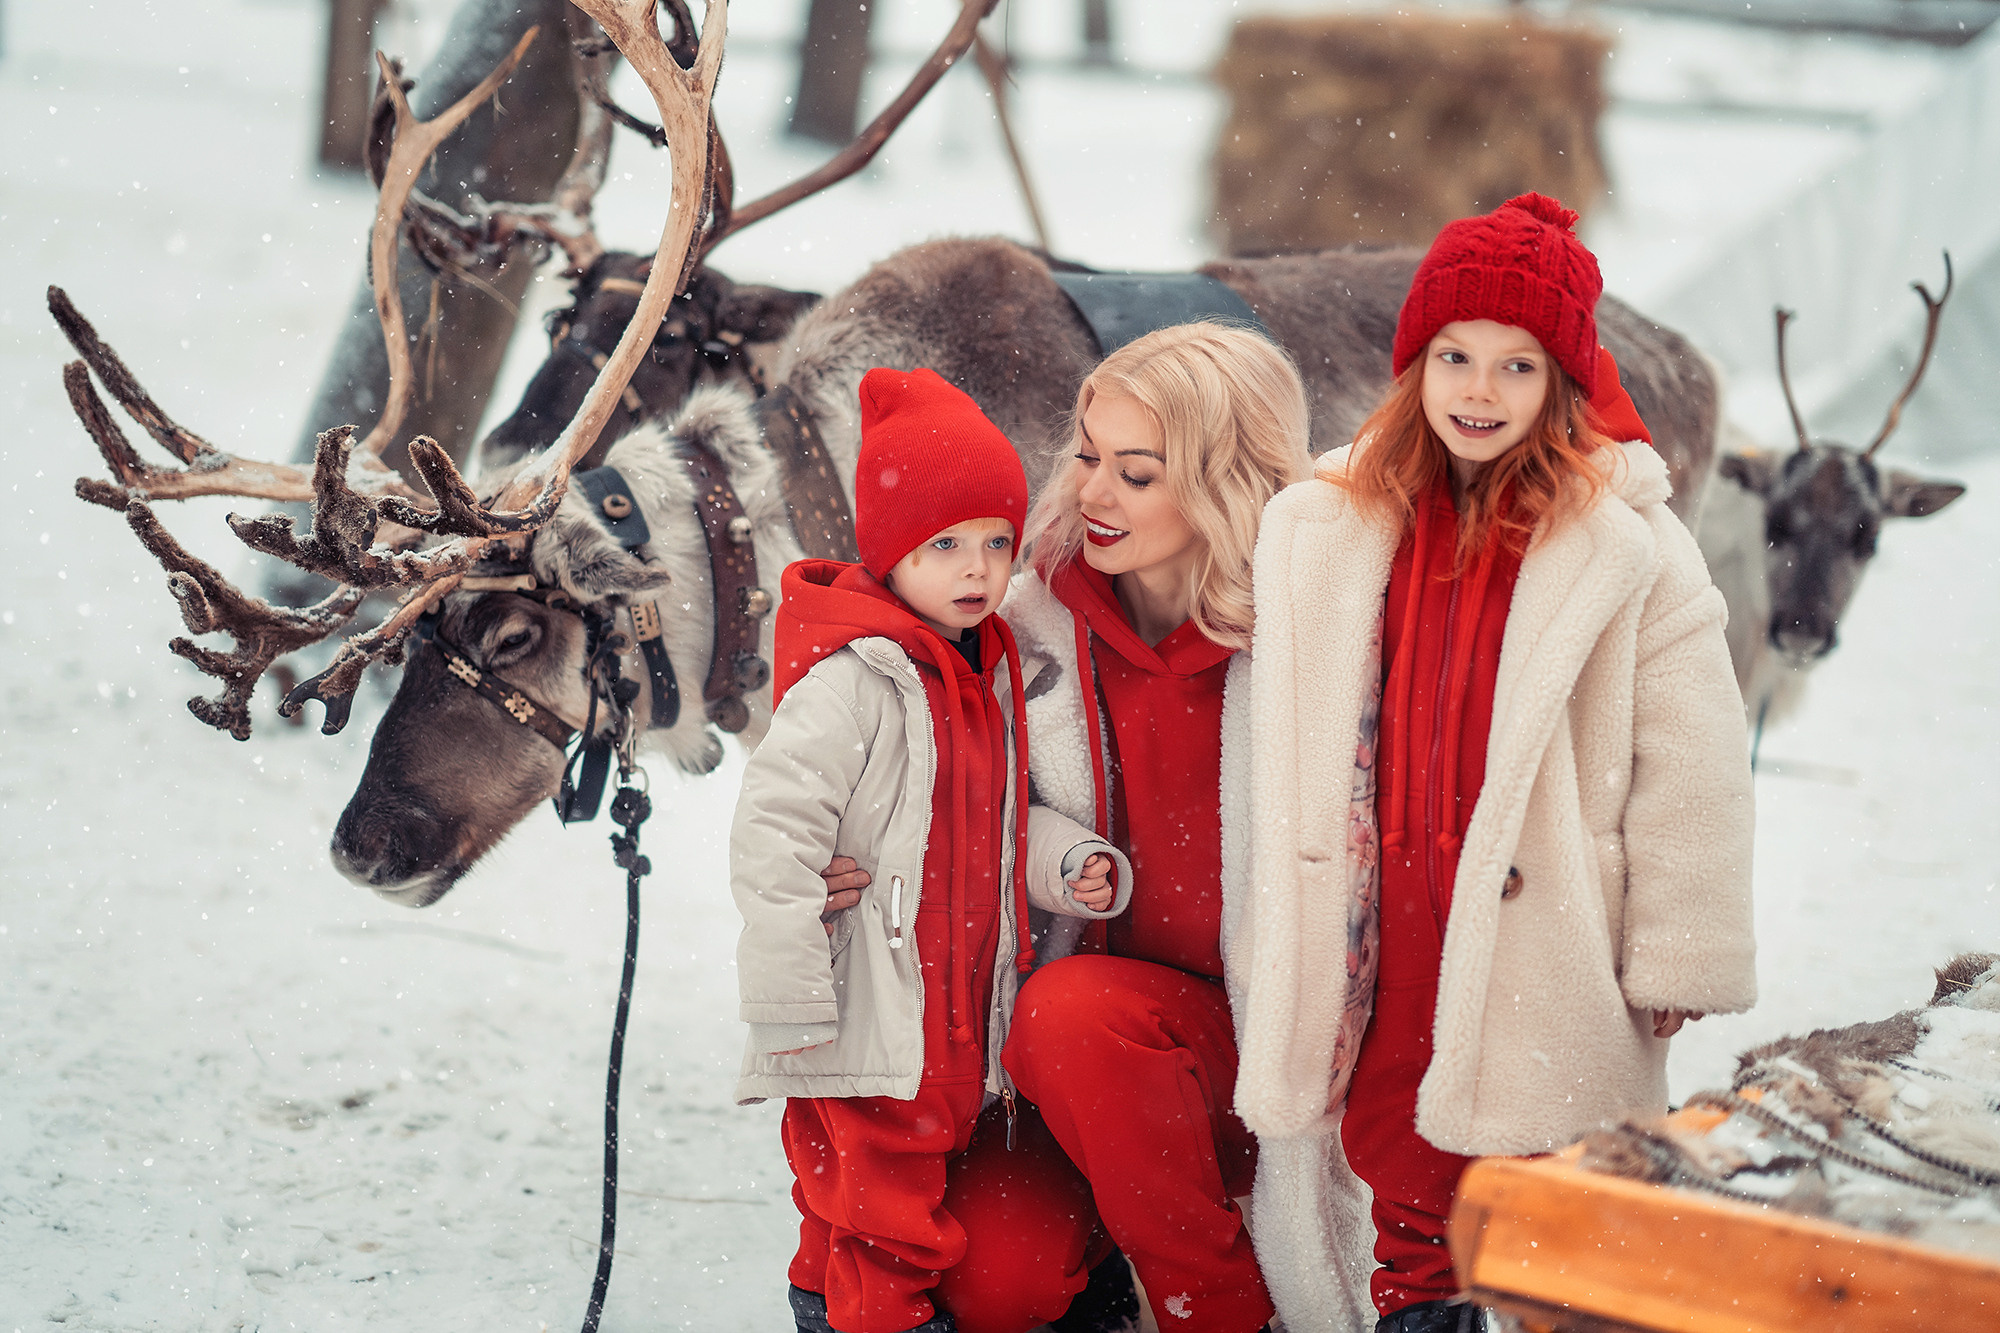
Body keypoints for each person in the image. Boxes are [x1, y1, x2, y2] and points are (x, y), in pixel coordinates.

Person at [1237, 193, 1757, 1333]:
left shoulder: (1627, 548)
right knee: (1402, 1151)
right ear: (1412, 364)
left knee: (1540, 1167)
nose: (1477, 391)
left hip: (1547, 922)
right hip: (1393, 916)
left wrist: (1677, 946)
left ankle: (1534, 1307)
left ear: (1562, 384)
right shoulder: (1346, 524)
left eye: (1515, 367)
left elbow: (1694, 761)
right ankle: (1420, 1310)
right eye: (1453, 357)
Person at [730, 367, 1134, 1333]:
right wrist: (791, 994)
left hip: (951, 1015)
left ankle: (826, 1304)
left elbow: (985, 821)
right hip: (866, 1007)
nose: (978, 568)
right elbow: (773, 832)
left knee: (865, 1197)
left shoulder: (979, 665)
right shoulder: (855, 680)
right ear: (889, 549)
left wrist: (1064, 860)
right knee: (885, 1208)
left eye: (997, 543)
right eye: (945, 544)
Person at [988, 322, 1318, 1333]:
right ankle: (1138, 1275)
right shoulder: (1027, 618)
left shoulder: (1320, 638)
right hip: (1087, 1071)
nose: (1089, 494)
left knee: (1076, 1011)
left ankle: (1210, 1313)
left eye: (1135, 473)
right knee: (993, 1282)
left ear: (1226, 483)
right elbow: (934, 782)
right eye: (1086, 455)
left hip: (1273, 1063)